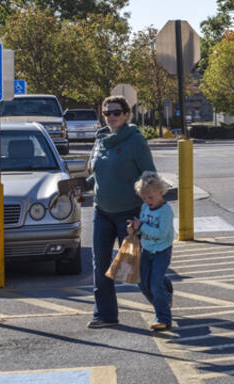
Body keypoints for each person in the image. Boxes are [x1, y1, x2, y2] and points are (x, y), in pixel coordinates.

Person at [85, 95, 156, 328]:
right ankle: (104, 314)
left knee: (137, 264)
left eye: (116, 113)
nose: (112, 117)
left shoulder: (135, 140)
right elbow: (97, 174)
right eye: (107, 113)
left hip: (129, 213)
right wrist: (81, 185)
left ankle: (161, 295)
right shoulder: (100, 140)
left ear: (126, 115)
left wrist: (146, 211)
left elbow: (149, 176)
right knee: (101, 263)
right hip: (102, 211)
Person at [129, 170, 175, 333]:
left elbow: (161, 233)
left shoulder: (165, 211)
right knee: (143, 283)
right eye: (144, 197)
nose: (147, 201)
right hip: (147, 250)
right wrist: (135, 229)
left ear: (160, 192)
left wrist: (142, 227)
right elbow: (143, 228)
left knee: (155, 284)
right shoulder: (144, 208)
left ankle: (163, 318)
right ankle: (165, 295)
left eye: (151, 197)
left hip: (162, 251)